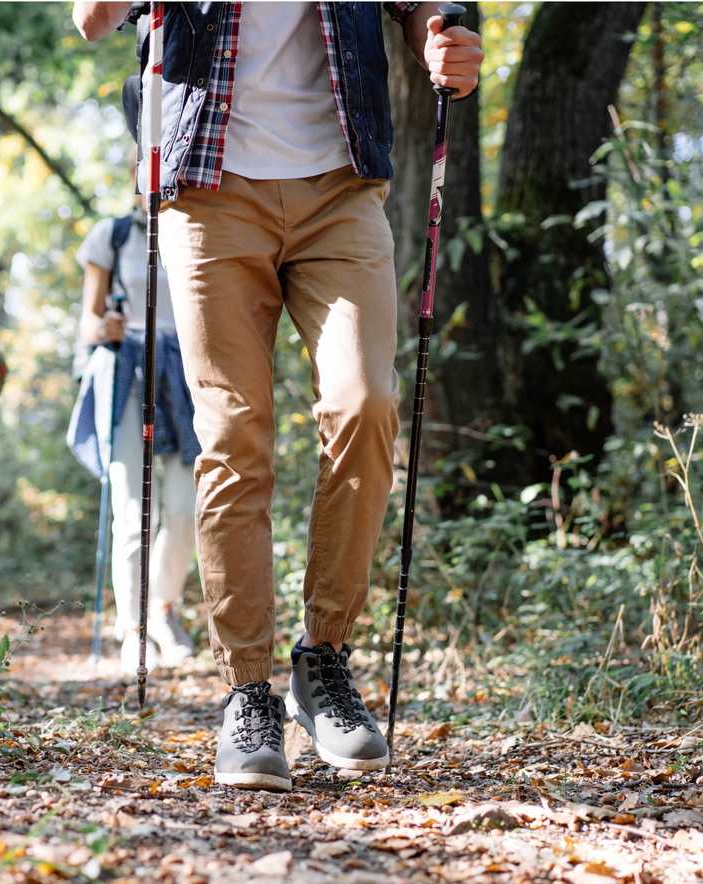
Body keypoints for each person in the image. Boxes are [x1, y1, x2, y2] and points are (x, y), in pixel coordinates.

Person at [74, 2, 483, 790]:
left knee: (366, 404)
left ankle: (322, 660)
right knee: (233, 434)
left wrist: (444, 41)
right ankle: (246, 692)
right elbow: (91, 19)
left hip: (340, 185)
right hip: (207, 186)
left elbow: (427, 8)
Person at [69, 158, 201, 673]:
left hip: (186, 374)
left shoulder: (197, 228)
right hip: (126, 373)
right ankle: (133, 629)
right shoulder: (115, 235)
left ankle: (163, 609)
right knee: (132, 508)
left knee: (184, 508)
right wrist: (107, 328)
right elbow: (87, 321)